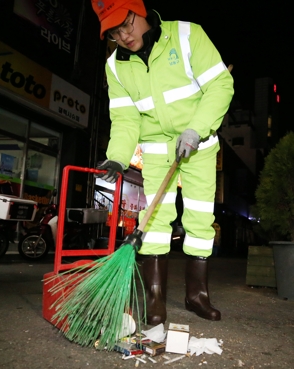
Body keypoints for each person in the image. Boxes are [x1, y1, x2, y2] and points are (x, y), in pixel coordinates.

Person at [91, 0, 234, 324]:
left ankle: (197, 295)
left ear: (139, 10)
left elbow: (220, 85)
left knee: (199, 217)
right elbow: (126, 118)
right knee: (154, 220)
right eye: (114, 32)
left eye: (126, 23)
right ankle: (155, 299)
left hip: (199, 143)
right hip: (157, 149)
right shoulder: (115, 66)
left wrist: (196, 129)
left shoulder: (187, 35)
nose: (124, 36)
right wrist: (117, 157)